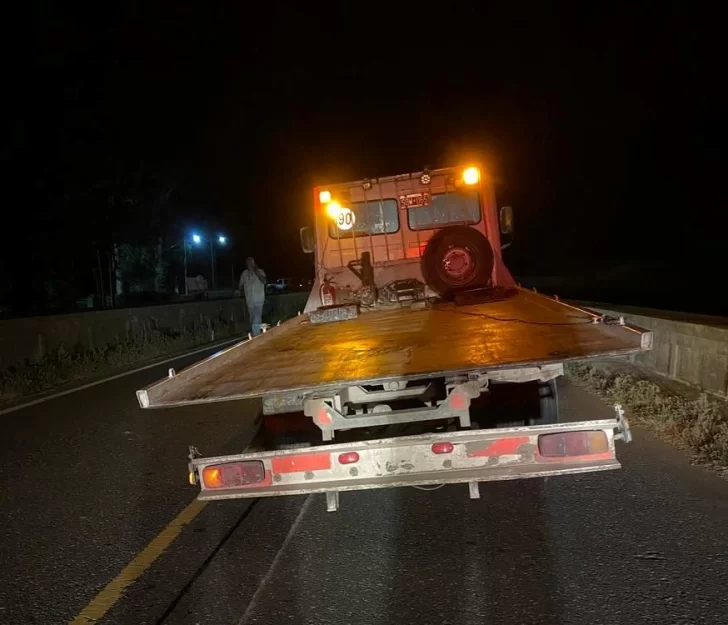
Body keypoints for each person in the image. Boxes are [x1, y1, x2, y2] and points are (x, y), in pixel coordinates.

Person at [238, 257, 266, 336]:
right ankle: (257, 333)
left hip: (259, 300)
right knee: (252, 318)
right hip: (249, 300)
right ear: (246, 264)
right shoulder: (244, 273)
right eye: (248, 263)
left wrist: (257, 272)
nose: (250, 265)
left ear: (254, 264)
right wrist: (238, 290)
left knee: (256, 317)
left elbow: (264, 281)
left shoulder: (260, 271)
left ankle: (256, 335)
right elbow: (240, 284)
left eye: (252, 263)